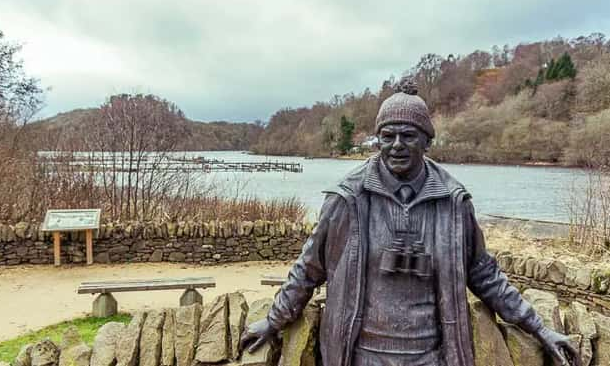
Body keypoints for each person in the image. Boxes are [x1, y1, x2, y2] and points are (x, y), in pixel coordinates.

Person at [240, 79, 580, 366]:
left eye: (408, 135)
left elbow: (483, 273)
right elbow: (309, 269)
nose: (397, 145)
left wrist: (538, 328)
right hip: (361, 355)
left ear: (427, 140)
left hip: (432, 355)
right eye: (387, 136)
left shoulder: (453, 201)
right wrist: (273, 321)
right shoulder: (348, 199)